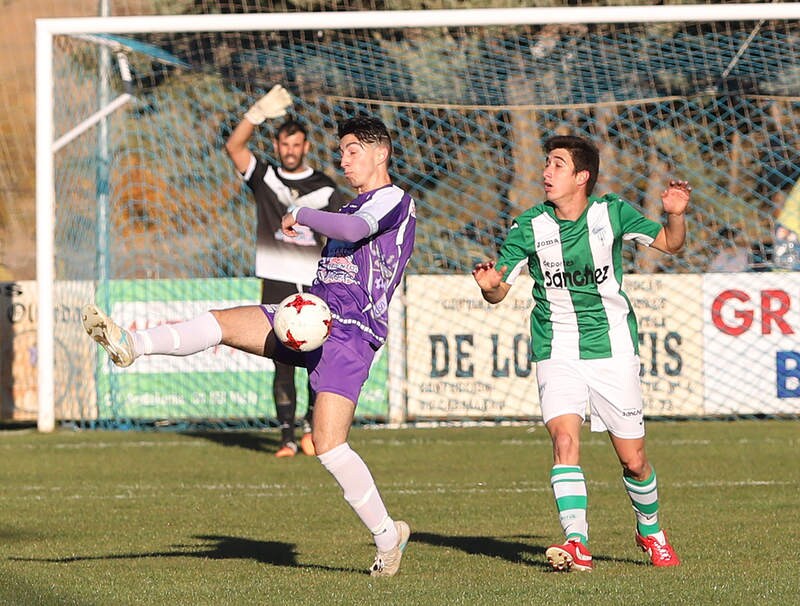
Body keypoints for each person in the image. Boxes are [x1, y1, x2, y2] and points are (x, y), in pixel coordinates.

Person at [82, 115, 415, 577]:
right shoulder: (351, 207)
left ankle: (387, 537)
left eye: (352, 150)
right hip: (311, 316)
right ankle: (131, 343)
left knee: (329, 445)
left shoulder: (393, 200)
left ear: (381, 152)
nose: (343, 160)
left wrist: (300, 214)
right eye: (341, 151)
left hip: (351, 335)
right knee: (219, 323)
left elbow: (358, 231)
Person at [472, 134, 688, 572]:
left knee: (633, 459)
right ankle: (576, 543)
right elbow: (500, 292)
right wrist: (490, 287)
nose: (545, 172)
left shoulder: (612, 212)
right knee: (564, 440)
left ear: (582, 176)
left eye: (556, 164)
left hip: (612, 348)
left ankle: (650, 530)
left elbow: (670, 243)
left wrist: (675, 215)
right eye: (546, 164)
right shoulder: (528, 225)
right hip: (555, 347)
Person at [225, 85, 346, 458]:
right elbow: (234, 148)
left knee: (315, 358)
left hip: (314, 281)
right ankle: (286, 438)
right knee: (282, 360)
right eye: (284, 144)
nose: (290, 151)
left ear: (306, 146)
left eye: (296, 145)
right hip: (277, 278)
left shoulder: (324, 188)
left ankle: (314, 430)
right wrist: (257, 113)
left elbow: (340, 231)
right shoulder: (265, 178)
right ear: (276, 145)